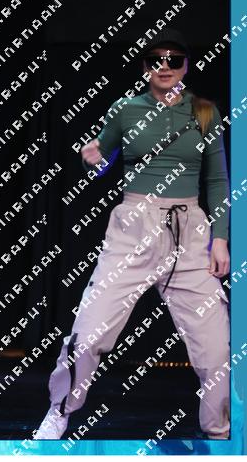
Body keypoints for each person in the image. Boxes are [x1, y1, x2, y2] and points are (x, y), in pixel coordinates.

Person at [34, 28, 231, 440]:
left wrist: (220, 239)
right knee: (88, 332)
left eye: (174, 59)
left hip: (190, 234)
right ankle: (59, 410)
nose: (165, 66)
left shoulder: (205, 112)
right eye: (156, 59)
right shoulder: (125, 109)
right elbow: (102, 159)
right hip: (133, 228)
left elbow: (217, 180)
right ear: (145, 66)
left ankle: (220, 430)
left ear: (186, 66)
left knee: (217, 348)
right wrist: (93, 160)